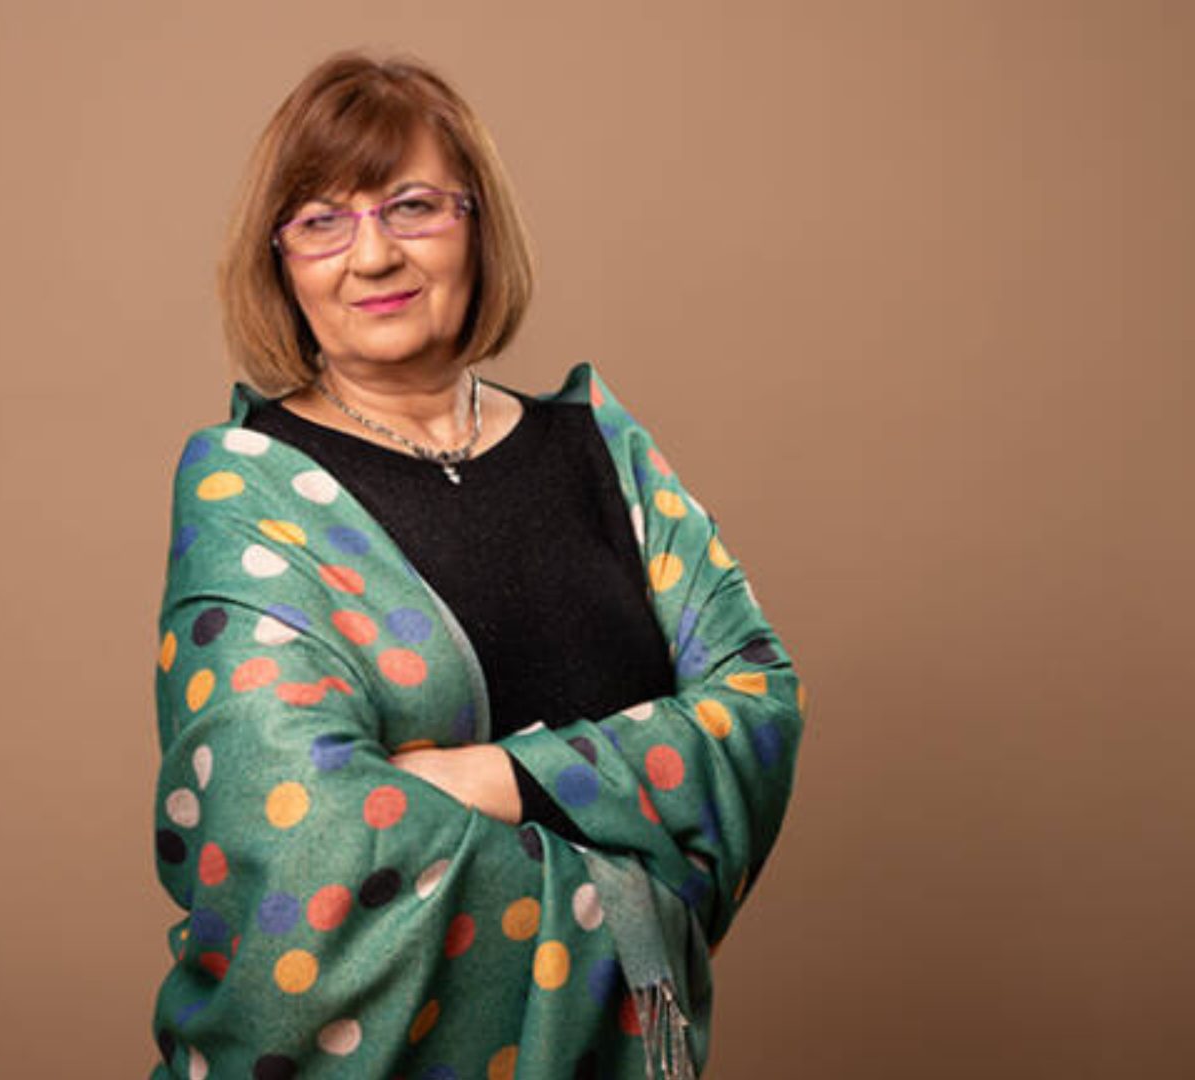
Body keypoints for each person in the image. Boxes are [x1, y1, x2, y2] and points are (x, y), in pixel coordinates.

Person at [149, 50, 804, 1079]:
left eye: (412, 206)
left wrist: (498, 776)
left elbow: (758, 708)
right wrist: (618, 863)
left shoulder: (601, 451)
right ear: (280, 260)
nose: (371, 257)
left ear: (476, 224)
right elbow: (305, 851)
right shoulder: (251, 489)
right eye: (322, 220)